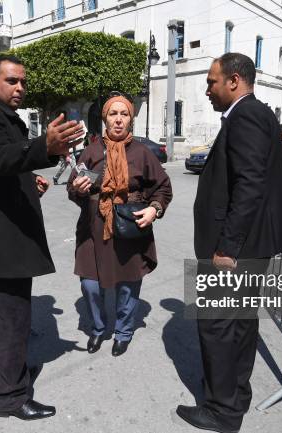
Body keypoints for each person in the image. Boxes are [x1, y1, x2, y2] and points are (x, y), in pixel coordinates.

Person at [176, 53, 282, 433]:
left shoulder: (245, 115)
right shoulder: (258, 113)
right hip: (252, 244)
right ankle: (234, 395)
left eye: (212, 82)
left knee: (217, 325)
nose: (207, 89)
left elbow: (249, 184)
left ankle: (221, 410)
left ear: (233, 81)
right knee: (241, 324)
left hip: (238, 248)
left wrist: (227, 246)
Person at [0, 54, 84, 421]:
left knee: (4, 318)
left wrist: (29, 181)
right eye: (12, 81)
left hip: (7, 238)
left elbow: (4, 167)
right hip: (2, 240)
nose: (20, 87)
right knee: (12, 320)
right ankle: (11, 398)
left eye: (23, 82)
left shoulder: (4, 118)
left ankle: (0, 376)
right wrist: (43, 146)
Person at [67, 93, 172, 357]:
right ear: (105, 119)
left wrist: (154, 209)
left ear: (130, 119)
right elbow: (72, 187)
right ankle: (98, 328)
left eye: (123, 114)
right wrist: (78, 189)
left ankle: (123, 332)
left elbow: (162, 187)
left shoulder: (142, 153)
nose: (118, 120)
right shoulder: (91, 151)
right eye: (113, 114)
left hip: (129, 226)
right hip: (93, 228)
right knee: (90, 285)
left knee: (128, 284)